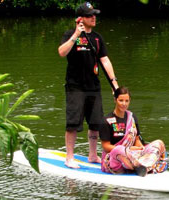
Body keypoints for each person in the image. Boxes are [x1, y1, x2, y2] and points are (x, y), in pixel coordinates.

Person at [58, 2, 119, 168]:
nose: (94, 18)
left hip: (94, 86)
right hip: (75, 86)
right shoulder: (70, 34)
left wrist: (115, 86)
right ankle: (69, 157)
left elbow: (105, 60)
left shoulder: (97, 38)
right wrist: (76, 34)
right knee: (72, 123)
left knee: (96, 123)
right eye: (90, 15)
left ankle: (93, 155)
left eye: (94, 15)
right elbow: (62, 52)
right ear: (80, 19)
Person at [100, 87, 167, 176]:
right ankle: (141, 166)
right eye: (121, 100)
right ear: (115, 100)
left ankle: (144, 166)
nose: (124, 104)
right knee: (118, 149)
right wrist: (127, 149)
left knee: (159, 143)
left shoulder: (132, 117)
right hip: (114, 160)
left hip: (133, 155)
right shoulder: (107, 120)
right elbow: (105, 146)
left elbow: (137, 140)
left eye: (126, 101)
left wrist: (140, 148)